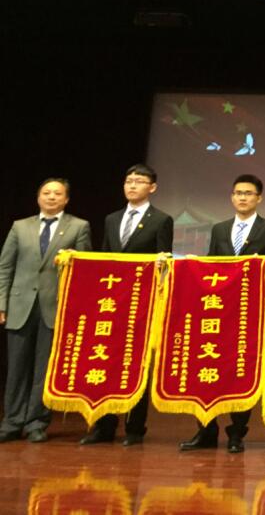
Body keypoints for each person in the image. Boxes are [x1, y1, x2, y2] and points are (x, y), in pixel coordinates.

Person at [179, 174, 265, 455]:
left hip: (250, 313)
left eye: (248, 193)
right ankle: (206, 430)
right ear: (231, 197)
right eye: (238, 193)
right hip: (218, 312)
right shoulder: (220, 229)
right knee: (208, 366)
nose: (242, 197)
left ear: (259, 198)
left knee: (242, 371)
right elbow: (212, 266)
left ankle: (237, 433)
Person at [81, 164, 174, 447]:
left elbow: (165, 262)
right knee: (107, 360)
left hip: (142, 302)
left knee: (138, 363)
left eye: (139, 181)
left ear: (152, 187)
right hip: (112, 303)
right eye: (128, 180)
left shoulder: (161, 220)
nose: (132, 185)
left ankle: (135, 427)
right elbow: (105, 258)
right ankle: (104, 425)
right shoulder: (112, 219)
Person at [0, 178, 93, 444]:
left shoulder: (78, 226)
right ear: (38, 197)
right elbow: (5, 267)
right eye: (46, 192)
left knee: (44, 369)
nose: (51, 197)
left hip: (55, 308)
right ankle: (11, 421)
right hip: (20, 306)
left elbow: (84, 270)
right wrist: (2, 304)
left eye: (57, 193)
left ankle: (36, 422)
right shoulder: (20, 226)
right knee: (16, 368)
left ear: (66, 199)